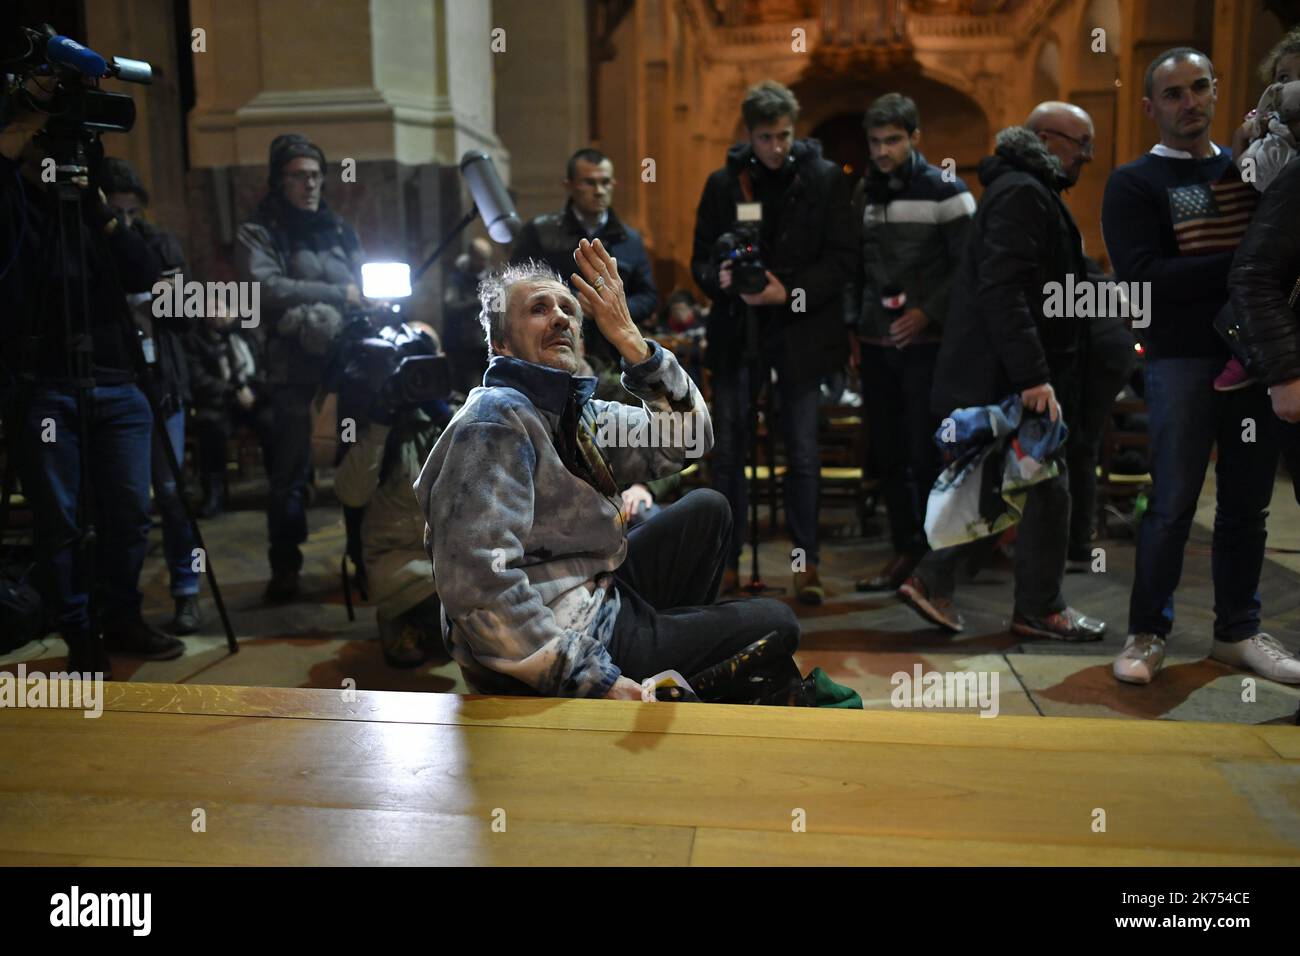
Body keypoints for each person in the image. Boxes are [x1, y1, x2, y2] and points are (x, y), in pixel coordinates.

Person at [415, 241, 801, 699]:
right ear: (500, 343)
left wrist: (633, 344)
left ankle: (665, 662)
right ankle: (652, 678)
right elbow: (479, 584)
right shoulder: (494, 420)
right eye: (539, 309)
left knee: (707, 509)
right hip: (553, 641)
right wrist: (594, 678)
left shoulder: (576, 412)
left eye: (568, 310)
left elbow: (692, 440)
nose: (560, 318)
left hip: (597, 594)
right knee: (777, 625)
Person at [896, 102, 1107, 642]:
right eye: (1079, 142)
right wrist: (1035, 377)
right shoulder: (1022, 193)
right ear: (1044, 138)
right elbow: (1005, 290)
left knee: (1012, 488)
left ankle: (939, 581)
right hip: (1006, 379)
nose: (1087, 155)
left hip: (1006, 374)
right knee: (1036, 487)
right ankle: (1034, 607)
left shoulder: (1026, 190)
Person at [1103, 48, 1282, 685]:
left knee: (1245, 507)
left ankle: (1237, 632)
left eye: (1200, 87)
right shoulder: (1134, 183)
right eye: (1174, 94)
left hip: (1253, 360)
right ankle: (1147, 632)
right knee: (1173, 503)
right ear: (1151, 107)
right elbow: (1144, 278)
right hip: (1181, 360)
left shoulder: (1251, 172)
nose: (1190, 103)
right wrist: (1242, 264)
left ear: (1216, 90)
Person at [0, 87, 183, 674]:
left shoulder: (95, 213)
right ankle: (80, 632)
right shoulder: (20, 207)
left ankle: (123, 615)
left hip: (117, 384)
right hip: (45, 386)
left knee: (129, 511)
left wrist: (97, 206)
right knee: (61, 522)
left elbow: (148, 278)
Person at [690, 79, 856, 602]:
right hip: (739, 335)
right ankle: (730, 562)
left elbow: (843, 261)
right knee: (731, 451)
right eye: (766, 138)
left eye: (785, 136)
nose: (777, 148)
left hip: (801, 335)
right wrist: (716, 277)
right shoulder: (725, 185)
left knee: (803, 452)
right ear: (750, 135)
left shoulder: (825, 179)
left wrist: (790, 292)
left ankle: (806, 568)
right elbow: (700, 259)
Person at [846, 93, 976, 593]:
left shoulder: (947, 190)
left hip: (930, 345)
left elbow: (971, 264)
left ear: (915, 138)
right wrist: (853, 329)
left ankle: (935, 561)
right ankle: (903, 554)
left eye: (893, 141)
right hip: (877, 343)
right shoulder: (865, 193)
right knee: (889, 453)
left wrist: (927, 313)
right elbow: (856, 266)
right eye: (876, 142)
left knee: (928, 454)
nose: (883, 151)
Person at [235, 133, 365, 603]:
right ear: (279, 179)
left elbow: (363, 283)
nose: (310, 184)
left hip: (345, 363)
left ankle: (362, 558)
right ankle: (285, 567)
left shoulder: (338, 228)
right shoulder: (261, 229)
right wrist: (336, 296)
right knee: (289, 472)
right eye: (298, 176)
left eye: (315, 175)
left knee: (357, 462)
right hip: (290, 368)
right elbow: (263, 287)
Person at [100, 156, 204, 635]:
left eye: (131, 214)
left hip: (162, 384)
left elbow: (185, 315)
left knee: (171, 492)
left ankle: (187, 590)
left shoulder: (158, 243)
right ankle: (121, 605)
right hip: (117, 380)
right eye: (114, 213)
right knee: (126, 502)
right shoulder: (90, 245)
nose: (123, 224)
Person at [334, 321, 450, 668]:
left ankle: (432, 621)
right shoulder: (368, 424)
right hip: (396, 564)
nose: (414, 376)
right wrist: (380, 420)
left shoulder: (454, 415)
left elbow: (491, 472)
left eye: (422, 365)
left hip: (450, 560)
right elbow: (352, 494)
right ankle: (404, 619)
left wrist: (443, 416)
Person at [510, 148, 658, 363]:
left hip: (616, 357)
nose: (599, 190)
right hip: (553, 348)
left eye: (605, 182)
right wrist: (572, 302)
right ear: (568, 185)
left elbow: (649, 296)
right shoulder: (539, 232)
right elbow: (516, 289)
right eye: (589, 182)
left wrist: (610, 308)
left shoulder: (630, 239)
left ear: (613, 184)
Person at [185, 304, 274, 518]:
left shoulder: (249, 333)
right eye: (211, 309)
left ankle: (278, 485)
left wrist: (253, 391)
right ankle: (213, 493)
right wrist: (233, 392)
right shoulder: (195, 339)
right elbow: (198, 378)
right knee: (210, 428)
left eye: (221, 308)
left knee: (272, 423)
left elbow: (265, 365)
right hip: (219, 402)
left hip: (253, 398)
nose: (216, 314)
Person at [441, 236, 492, 395]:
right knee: (464, 386)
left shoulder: (491, 276)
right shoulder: (457, 278)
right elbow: (451, 305)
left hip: (484, 341)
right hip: (461, 342)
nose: (482, 263)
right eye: (479, 259)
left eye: (485, 260)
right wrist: (477, 302)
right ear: (471, 256)